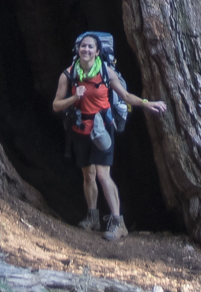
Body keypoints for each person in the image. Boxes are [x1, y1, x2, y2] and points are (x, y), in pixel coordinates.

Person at [53, 32, 167, 242]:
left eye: (90, 47)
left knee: (103, 175)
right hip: (80, 129)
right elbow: (56, 105)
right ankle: (93, 217)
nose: (86, 50)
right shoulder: (68, 74)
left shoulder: (107, 72)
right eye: (83, 47)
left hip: (103, 128)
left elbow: (125, 96)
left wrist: (146, 103)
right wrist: (73, 98)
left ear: (98, 52)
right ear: (78, 50)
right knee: (88, 175)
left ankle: (118, 222)